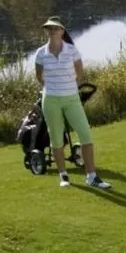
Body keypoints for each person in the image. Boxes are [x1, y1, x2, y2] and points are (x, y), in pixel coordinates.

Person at [33, 16, 108, 189]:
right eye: (50, 28)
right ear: (47, 31)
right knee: (57, 138)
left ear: (62, 31)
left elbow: (79, 73)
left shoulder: (72, 50)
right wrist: (52, 87)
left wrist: (69, 86)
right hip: (51, 100)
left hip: (71, 98)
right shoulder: (40, 53)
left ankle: (92, 176)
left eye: (56, 28)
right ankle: (63, 175)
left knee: (85, 134)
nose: (53, 31)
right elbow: (39, 76)